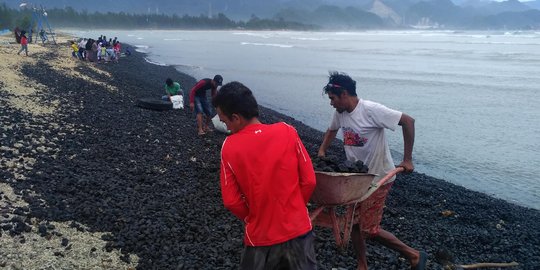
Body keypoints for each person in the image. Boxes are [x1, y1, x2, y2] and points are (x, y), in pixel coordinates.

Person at [317, 71, 427, 270]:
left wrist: (407, 159)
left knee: (368, 227)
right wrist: (323, 149)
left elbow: (408, 121)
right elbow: (332, 129)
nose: (331, 103)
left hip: (379, 177)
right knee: (355, 223)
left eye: (332, 98)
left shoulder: (371, 110)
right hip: (356, 179)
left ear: (344, 94)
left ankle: (414, 255)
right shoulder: (340, 113)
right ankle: (362, 265)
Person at [213, 81, 317, 270]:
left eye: (225, 121)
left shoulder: (229, 146)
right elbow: (309, 180)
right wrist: (295, 207)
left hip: (261, 238)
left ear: (236, 118)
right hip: (299, 230)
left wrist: (253, 216)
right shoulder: (287, 131)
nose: (226, 127)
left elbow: (232, 202)